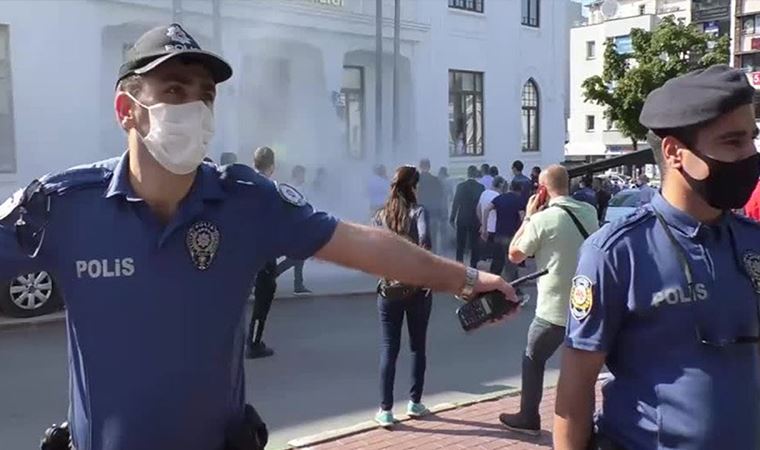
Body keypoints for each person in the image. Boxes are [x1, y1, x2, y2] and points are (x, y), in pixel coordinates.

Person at [16, 23, 516, 450]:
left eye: (205, 94)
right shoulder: (64, 205)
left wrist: (468, 278)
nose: (194, 107)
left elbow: (363, 243)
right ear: (127, 109)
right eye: (173, 91)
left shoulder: (245, 200)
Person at [554, 65, 760, 450]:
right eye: (733, 142)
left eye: (752, 138)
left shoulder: (751, 242)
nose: (750, 154)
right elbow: (574, 392)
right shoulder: (616, 252)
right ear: (675, 152)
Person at [499, 165, 598, 436]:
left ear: (542, 189)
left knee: (533, 357)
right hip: (585, 307)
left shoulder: (543, 220)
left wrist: (529, 217)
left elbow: (515, 254)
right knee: (579, 368)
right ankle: (585, 423)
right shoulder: (589, 211)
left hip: (553, 310)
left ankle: (528, 417)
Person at [372, 166, 434, 427]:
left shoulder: (380, 216)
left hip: (388, 290)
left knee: (389, 348)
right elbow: (426, 244)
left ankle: (385, 410)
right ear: (413, 187)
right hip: (418, 289)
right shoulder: (419, 212)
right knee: (417, 347)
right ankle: (414, 402)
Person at [246, 146, 278, 359]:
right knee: (263, 299)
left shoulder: (244, 183)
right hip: (263, 252)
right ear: (272, 166)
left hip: (243, 250)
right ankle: (254, 343)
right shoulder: (269, 187)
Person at [276, 165, 312, 295]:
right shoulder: (289, 189)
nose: (304, 178)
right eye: (302, 175)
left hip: (300, 226)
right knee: (295, 257)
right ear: (297, 175)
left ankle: (298, 284)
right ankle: (271, 275)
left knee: (299, 257)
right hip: (292, 227)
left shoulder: (302, 188)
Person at [481, 179, 522, 281]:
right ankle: (514, 287)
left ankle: (491, 284)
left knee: (497, 261)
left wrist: (484, 228)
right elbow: (522, 216)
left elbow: (486, 210)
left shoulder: (499, 198)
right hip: (512, 235)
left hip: (498, 234)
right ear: (519, 190)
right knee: (511, 263)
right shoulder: (518, 200)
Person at [451, 165, 485, 267]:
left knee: (460, 244)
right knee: (474, 244)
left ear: (468, 173)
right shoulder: (480, 187)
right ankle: (473, 266)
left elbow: (456, 202)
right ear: (475, 174)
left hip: (462, 217)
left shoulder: (460, 186)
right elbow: (482, 204)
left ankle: (459, 265)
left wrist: (452, 217)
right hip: (475, 218)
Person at [416, 158, 445, 253]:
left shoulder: (415, 181)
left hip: (419, 212)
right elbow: (441, 196)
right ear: (429, 167)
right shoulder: (435, 180)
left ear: (420, 167)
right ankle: (432, 255)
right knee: (433, 236)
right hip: (433, 212)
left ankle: (420, 255)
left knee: (418, 234)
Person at [477, 176, 502, 260]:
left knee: (483, 254)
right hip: (494, 228)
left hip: (484, 226)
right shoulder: (498, 196)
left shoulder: (484, 193)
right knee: (494, 255)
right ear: (501, 185)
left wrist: (482, 223)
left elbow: (478, 209)